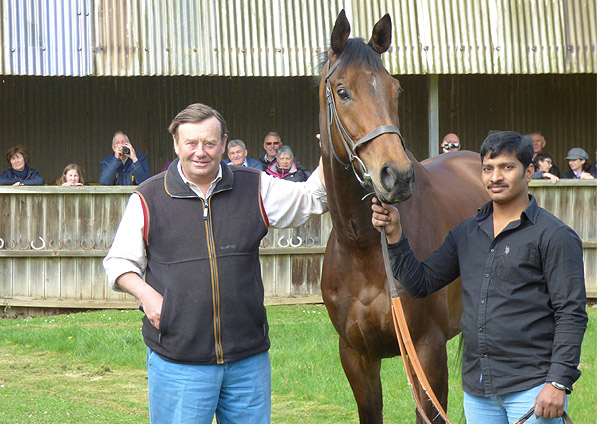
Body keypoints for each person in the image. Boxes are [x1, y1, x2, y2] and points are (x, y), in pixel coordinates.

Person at [103, 103, 327, 424]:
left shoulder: (255, 186)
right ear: (176, 145)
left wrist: (331, 150)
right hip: (179, 363)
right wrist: (149, 297)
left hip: (247, 362)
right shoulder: (149, 196)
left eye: (209, 143)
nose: (200, 152)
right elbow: (118, 262)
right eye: (191, 143)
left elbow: (312, 199)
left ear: (224, 144)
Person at [371, 131, 587, 423]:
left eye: (507, 167)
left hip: (533, 390)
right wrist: (396, 236)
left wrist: (558, 383)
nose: (495, 177)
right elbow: (419, 283)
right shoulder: (467, 233)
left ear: (530, 172)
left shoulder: (555, 236)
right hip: (479, 393)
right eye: (488, 168)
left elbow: (571, 314)